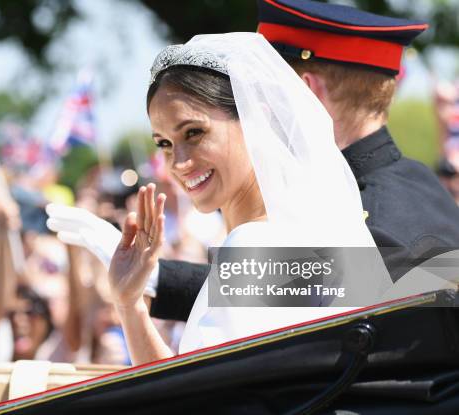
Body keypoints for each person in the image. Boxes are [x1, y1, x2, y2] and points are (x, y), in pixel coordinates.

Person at [49, 0, 459, 324]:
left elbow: (336, 291)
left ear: (304, 92)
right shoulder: (399, 187)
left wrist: (156, 277)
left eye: (261, 91)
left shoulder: (388, 204)